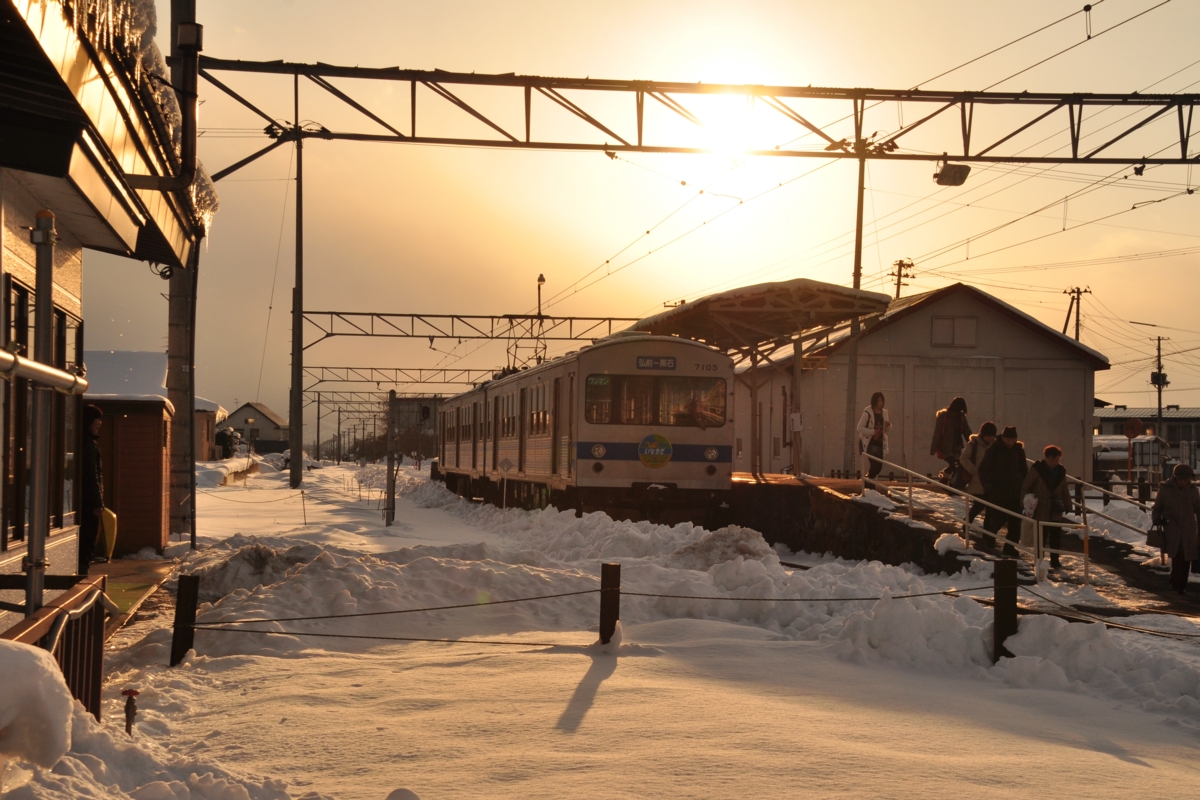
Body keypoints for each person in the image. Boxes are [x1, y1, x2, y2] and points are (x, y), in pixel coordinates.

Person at [1151, 463, 1200, 594]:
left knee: (1187, 558)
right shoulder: (1166, 489)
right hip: (1172, 529)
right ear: (1176, 477)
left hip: (1188, 530)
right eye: (1181, 479)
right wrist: (1157, 519)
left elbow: (1198, 510)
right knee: (1177, 556)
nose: (1183, 481)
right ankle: (1176, 583)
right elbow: (1157, 508)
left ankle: (1181, 585)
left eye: (1186, 479)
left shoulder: (1193, 491)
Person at [978, 425, 1027, 557]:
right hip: (998, 492)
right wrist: (986, 484)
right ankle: (989, 540)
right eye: (1008, 439)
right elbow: (983, 469)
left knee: (1015, 523)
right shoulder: (994, 450)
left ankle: (1010, 547)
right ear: (1003, 438)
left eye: (1013, 440)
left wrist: (1025, 487)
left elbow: (1024, 470)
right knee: (996, 520)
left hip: (1015, 492)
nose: (1010, 442)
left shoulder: (1018, 451)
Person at [1021, 445, 1072, 570]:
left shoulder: (1061, 471)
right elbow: (1026, 487)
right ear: (1046, 458)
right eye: (1052, 460)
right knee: (1041, 536)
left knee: (1056, 535)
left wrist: (1068, 505)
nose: (1054, 463)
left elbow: (1064, 489)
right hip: (1040, 507)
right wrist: (1025, 504)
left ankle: (1055, 560)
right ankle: (1039, 559)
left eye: (1057, 460)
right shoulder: (1037, 469)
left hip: (1055, 507)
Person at [78, 404, 105, 575]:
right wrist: (97, 503)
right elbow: (91, 474)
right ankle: (82, 572)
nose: (99, 423)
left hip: (84, 501)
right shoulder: (88, 443)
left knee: (85, 541)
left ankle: (82, 569)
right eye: (97, 420)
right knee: (87, 540)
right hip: (88, 503)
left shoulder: (83, 441)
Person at [959, 421, 997, 525]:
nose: (989, 438)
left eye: (991, 436)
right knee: (979, 506)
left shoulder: (996, 445)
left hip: (991, 481)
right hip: (977, 481)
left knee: (990, 509)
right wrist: (974, 470)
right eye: (987, 436)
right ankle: (967, 523)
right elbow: (964, 458)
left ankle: (986, 531)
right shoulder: (974, 444)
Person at [930, 396, 970, 483]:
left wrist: (973, 442)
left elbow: (967, 431)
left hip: (957, 447)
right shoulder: (943, 416)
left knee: (957, 466)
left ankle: (948, 482)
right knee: (953, 464)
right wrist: (933, 448)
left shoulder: (961, 418)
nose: (959, 413)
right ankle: (944, 481)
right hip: (945, 447)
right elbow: (937, 433)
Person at [856, 392, 891, 482]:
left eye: (882, 401)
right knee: (875, 465)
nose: (880, 403)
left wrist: (888, 425)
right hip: (870, 442)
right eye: (878, 401)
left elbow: (887, 430)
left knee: (879, 466)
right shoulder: (868, 412)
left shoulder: (884, 413)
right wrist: (873, 432)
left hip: (880, 443)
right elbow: (859, 427)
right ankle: (869, 484)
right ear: (874, 401)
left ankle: (869, 482)